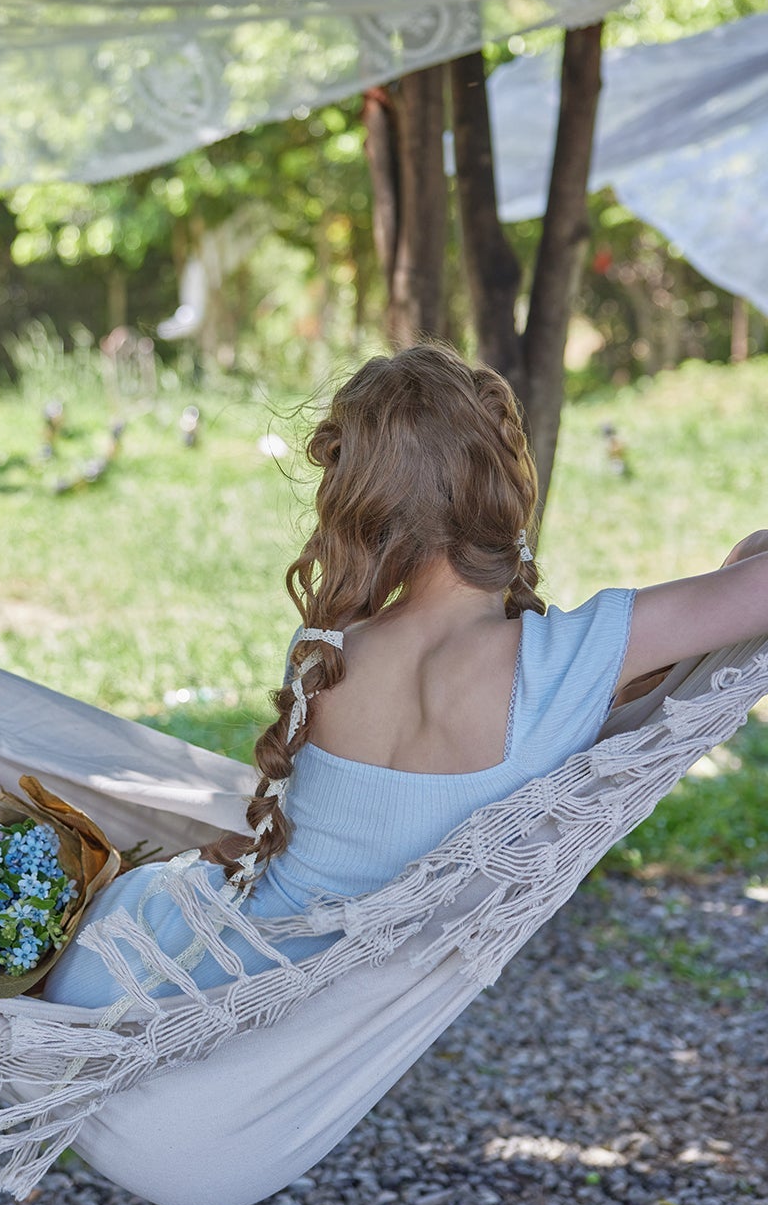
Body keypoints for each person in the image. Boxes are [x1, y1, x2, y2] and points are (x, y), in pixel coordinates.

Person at [42, 342, 768, 1011]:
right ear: (509, 486)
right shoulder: (564, 661)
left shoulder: (324, 646)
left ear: (361, 507)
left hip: (130, 965)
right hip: (238, 1011)